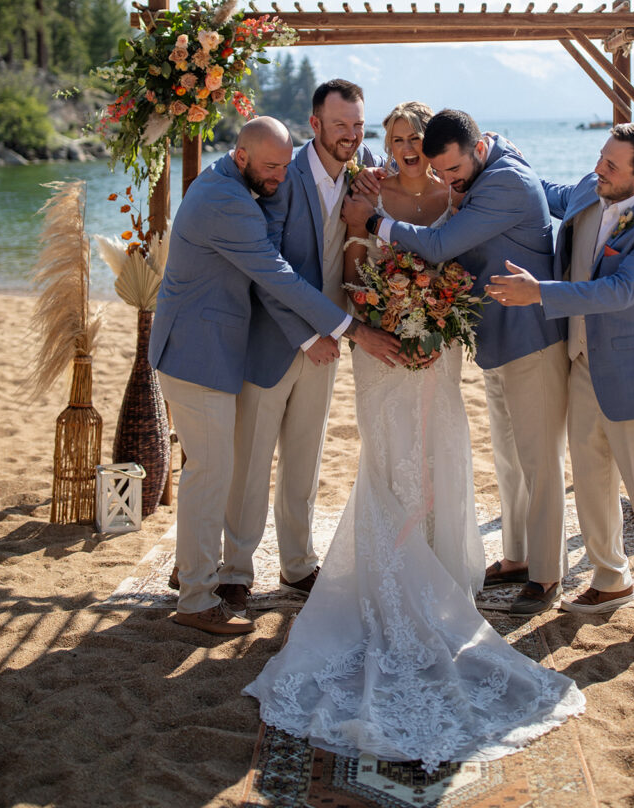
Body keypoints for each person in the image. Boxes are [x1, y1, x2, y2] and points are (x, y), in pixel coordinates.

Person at [244, 101, 585, 770]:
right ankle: (389, 574)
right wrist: (375, 313)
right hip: (378, 344)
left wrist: (432, 313)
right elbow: (350, 266)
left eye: (415, 140)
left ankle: (448, 568)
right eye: (395, 137)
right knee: (389, 453)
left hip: (441, 343)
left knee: (442, 448)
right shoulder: (366, 188)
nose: (405, 148)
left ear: (432, 148)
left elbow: (453, 260)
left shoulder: (454, 193)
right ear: (386, 142)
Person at [342, 108, 569, 616]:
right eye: (440, 171)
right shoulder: (478, 164)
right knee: (509, 460)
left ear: (478, 149)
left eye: (453, 170)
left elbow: (442, 243)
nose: (447, 180)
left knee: (539, 462)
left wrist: (374, 221)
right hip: (495, 340)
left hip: (531, 338)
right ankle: (518, 557)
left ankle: (547, 575)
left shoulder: (505, 181)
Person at [486, 122, 634, 644]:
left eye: (611, 165)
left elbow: (620, 290)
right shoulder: (594, 186)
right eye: (601, 157)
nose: (598, 169)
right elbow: (547, 193)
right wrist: (499, 155)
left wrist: (539, 293)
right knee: (591, 478)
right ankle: (610, 579)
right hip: (582, 363)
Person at [150, 117, 354, 636]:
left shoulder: (228, 183)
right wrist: (349, 326)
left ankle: (190, 570)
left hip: (205, 352)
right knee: (210, 475)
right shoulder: (228, 201)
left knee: (210, 473)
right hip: (197, 354)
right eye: (271, 167)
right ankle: (197, 600)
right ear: (241, 156)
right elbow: (276, 276)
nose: (281, 178)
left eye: (286, 166)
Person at [215, 81, 403, 616]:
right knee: (251, 463)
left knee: (305, 458)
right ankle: (235, 571)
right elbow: (267, 271)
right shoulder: (284, 177)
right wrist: (308, 335)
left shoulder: (363, 167)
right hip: (277, 339)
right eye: (340, 124)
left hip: (330, 341)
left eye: (358, 125)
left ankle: (297, 564)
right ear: (315, 125)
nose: (351, 134)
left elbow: (408, 165)